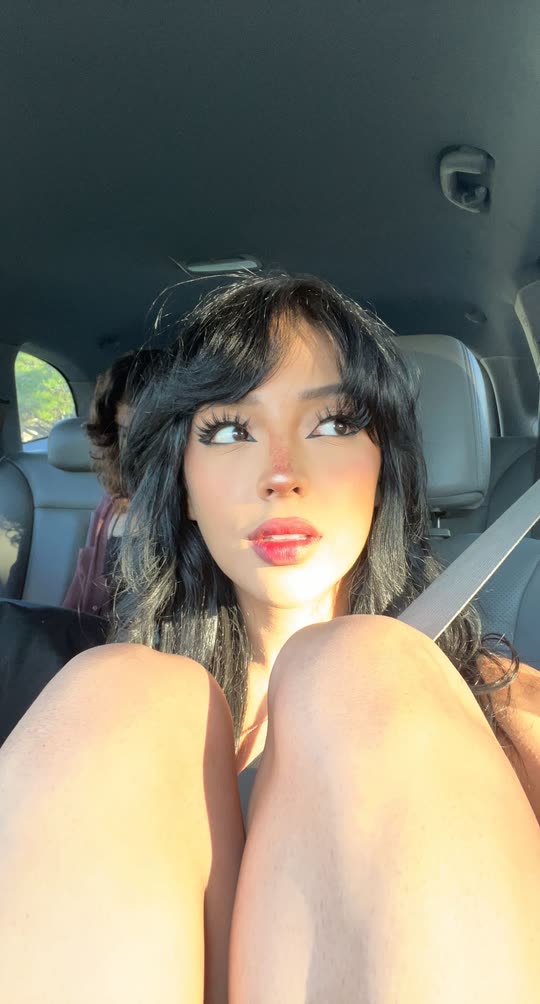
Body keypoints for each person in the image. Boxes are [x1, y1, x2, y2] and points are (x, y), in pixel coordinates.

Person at [1, 273, 540, 1003]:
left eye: (334, 424)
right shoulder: (84, 706)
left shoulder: (512, 708)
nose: (281, 474)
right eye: (230, 431)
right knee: (118, 684)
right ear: (184, 487)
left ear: (384, 468)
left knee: (360, 662)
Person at [63, 347, 162, 616]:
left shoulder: (201, 511)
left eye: (152, 431)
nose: (139, 449)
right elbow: (80, 597)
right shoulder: (109, 506)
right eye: (128, 433)